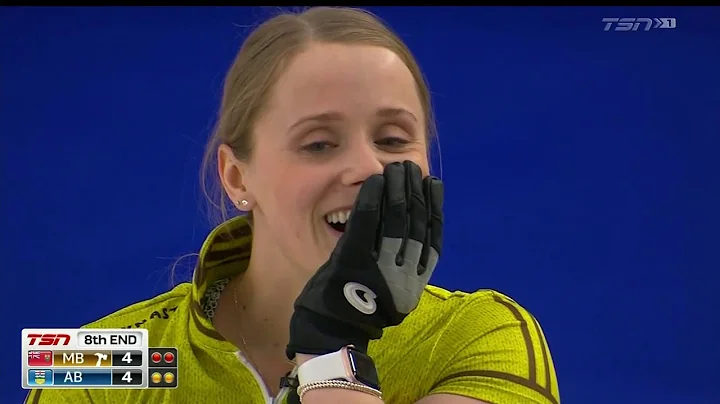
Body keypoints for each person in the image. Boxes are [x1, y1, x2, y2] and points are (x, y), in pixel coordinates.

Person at [25, 6, 560, 404]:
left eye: (394, 140)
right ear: (238, 176)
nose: (369, 169)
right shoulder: (93, 357)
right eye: (319, 144)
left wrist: (331, 348)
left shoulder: (483, 332)